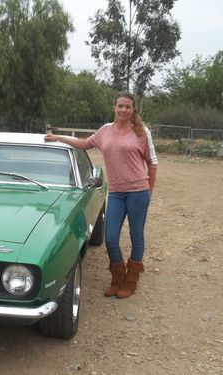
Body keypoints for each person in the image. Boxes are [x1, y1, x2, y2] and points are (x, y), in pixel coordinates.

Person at [44, 92, 158, 299]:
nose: (123, 110)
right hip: (116, 192)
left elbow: (153, 163)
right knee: (111, 237)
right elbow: (84, 143)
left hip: (138, 193)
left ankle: (131, 281)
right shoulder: (105, 131)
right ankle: (117, 278)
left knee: (136, 235)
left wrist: (149, 192)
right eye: (120, 106)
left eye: (128, 107)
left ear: (133, 110)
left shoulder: (142, 132)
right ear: (114, 107)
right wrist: (59, 137)